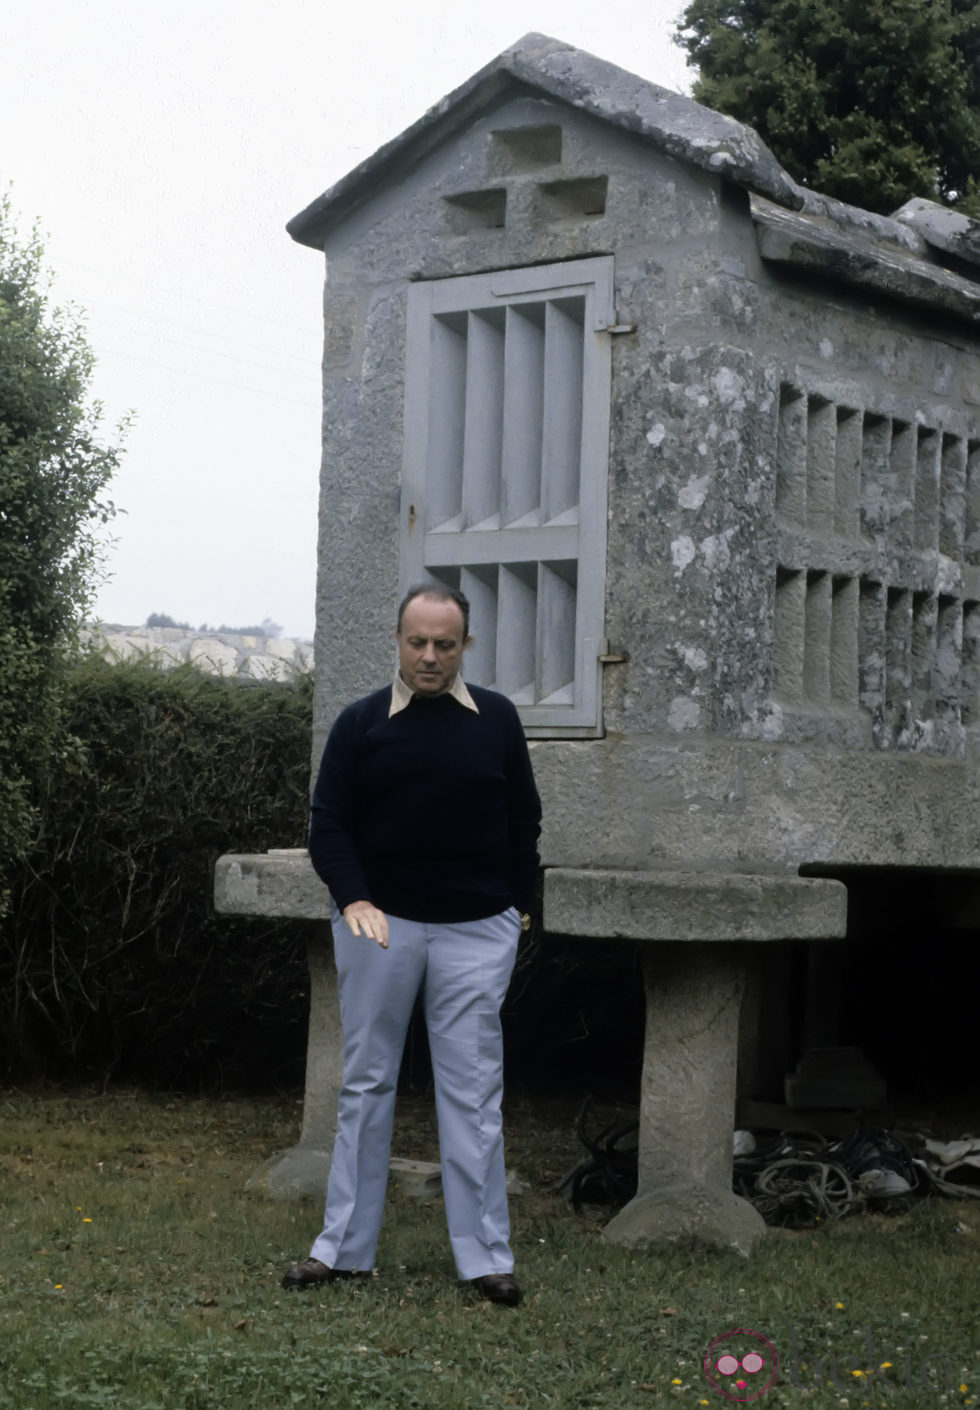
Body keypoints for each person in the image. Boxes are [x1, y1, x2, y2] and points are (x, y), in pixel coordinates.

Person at [282, 583, 541, 1306]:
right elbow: (328, 825)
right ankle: (341, 1249)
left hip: (478, 930)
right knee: (366, 1085)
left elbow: (525, 823)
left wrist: (518, 910)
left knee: (473, 1094)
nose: (429, 657)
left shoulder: (498, 721)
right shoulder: (361, 724)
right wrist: (355, 899)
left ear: (467, 646)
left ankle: (487, 1258)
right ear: (397, 640)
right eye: (417, 642)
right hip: (380, 926)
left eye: (445, 645)